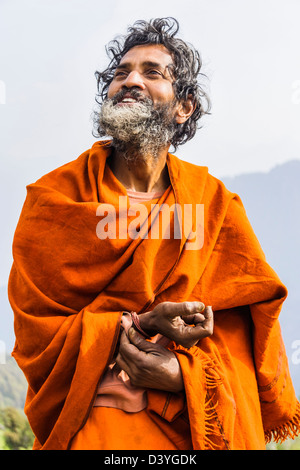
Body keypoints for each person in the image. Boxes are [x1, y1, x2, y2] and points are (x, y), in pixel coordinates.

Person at [8, 17, 300, 451]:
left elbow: (243, 335)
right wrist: (141, 322)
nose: (130, 81)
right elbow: (37, 333)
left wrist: (182, 376)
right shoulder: (56, 200)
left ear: (184, 106)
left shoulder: (214, 205)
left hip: (188, 431)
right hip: (90, 427)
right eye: (121, 72)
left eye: (152, 72)